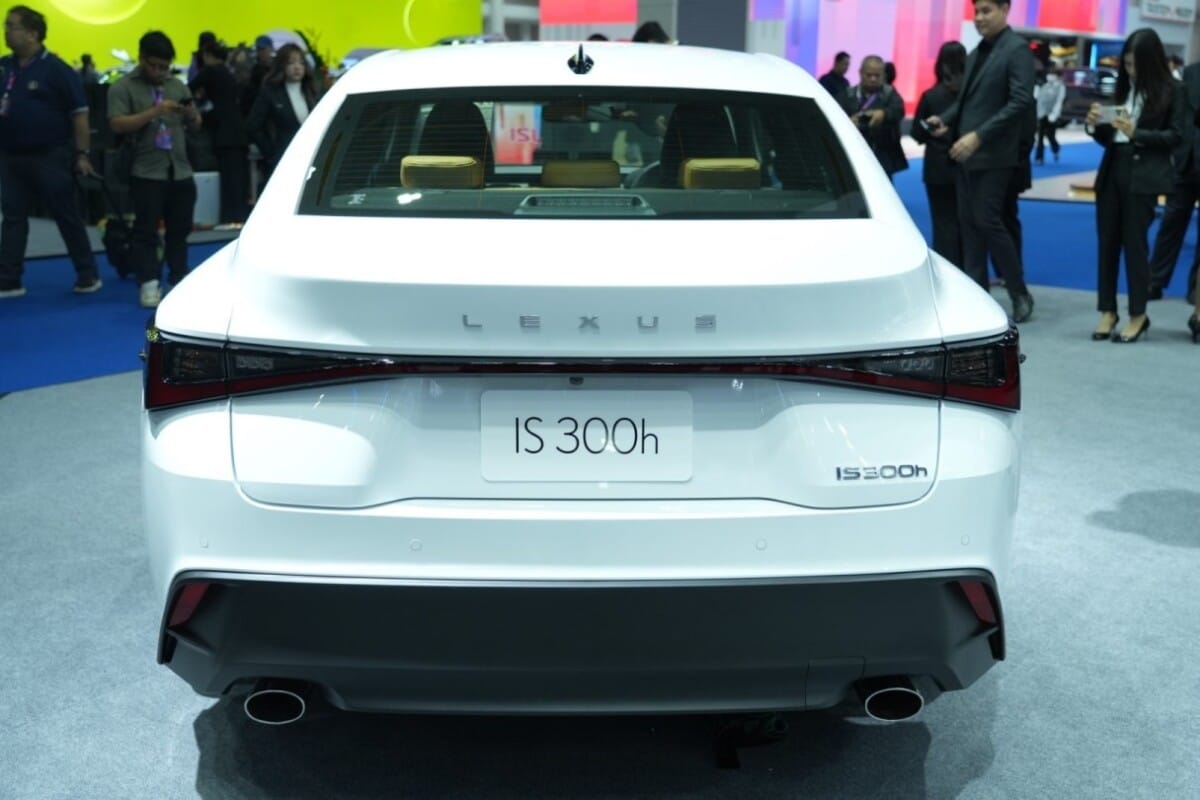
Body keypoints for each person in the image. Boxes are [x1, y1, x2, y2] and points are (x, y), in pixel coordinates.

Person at [924, 0, 1036, 323]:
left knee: (986, 221)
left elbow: (1020, 101)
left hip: (994, 154)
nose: (979, 18)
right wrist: (944, 120)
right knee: (969, 226)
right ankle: (977, 295)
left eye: (987, 10)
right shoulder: (976, 52)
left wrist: (979, 136)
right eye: (976, 11)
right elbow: (965, 102)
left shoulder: (1017, 50)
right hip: (965, 154)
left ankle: (1019, 292)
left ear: (1005, 9)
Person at [1085, 28, 1185, 343]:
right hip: (1112, 169)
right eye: (1127, 64)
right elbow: (1110, 138)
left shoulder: (1174, 90)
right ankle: (1107, 310)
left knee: (1135, 246)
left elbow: (1177, 136)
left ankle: (1138, 314)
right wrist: (1094, 125)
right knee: (1107, 244)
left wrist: (1136, 133)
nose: (1131, 71)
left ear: (1152, 62)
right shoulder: (1123, 89)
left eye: (1136, 65)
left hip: (1143, 175)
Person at [0, 4, 101, 299]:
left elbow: (80, 114)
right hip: (10, 154)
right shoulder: (4, 67)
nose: (6, 31)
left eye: (12, 26)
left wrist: (82, 154)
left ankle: (87, 274)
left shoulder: (57, 69)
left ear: (33, 34)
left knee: (66, 215)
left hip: (50, 155)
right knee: (13, 218)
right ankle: (9, 279)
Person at [107, 31, 202, 308]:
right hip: (146, 170)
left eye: (165, 67)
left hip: (180, 168)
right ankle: (148, 282)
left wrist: (191, 115)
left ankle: (178, 278)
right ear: (141, 59)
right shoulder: (123, 87)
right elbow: (116, 124)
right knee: (146, 231)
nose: (160, 72)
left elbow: (197, 124)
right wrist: (154, 112)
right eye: (155, 66)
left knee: (179, 231)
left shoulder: (177, 86)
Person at [1148, 59, 1200, 305]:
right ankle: (1154, 281)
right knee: (1170, 223)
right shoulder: (1190, 72)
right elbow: (1179, 114)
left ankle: (1196, 288)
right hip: (1184, 161)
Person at [913, 42, 967, 267]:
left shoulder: (930, 96)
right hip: (967, 166)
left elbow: (917, 133)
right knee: (965, 222)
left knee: (942, 222)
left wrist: (931, 132)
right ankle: (967, 269)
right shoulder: (971, 98)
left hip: (937, 168)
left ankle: (947, 268)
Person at [190, 41, 248, 223]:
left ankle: (228, 217)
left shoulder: (209, 72)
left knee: (228, 180)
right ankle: (238, 215)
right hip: (238, 131)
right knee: (238, 179)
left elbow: (188, 89)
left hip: (223, 132)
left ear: (207, 54)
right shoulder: (229, 73)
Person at [246, 43, 317, 181]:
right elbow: (252, 126)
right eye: (291, 63)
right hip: (282, 160)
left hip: (310, 160)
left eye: (301, 62)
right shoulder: (270, 93)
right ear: (282, 65)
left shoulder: (311, 92)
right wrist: (271, 153)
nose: (297, 67)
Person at [840, 55, 907, 180]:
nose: (873, 79)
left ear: (884, 75)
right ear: (860, 73)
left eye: (877, 75)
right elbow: (836, 116)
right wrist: (847, 123)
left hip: (883, 156)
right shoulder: (848, 95)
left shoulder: (890, 94)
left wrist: (884, 114)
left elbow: (899, 111)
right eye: (869, 75)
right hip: (854, 154)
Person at [1034, 66, 1065, 164]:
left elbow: (1059, 101)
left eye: (1052, 74)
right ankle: (1039, 157)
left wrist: (1054, 114)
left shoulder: (1060, 87)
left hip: (1052, 115)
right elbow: (1038, 99)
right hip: (1042, 114)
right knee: (1040, 136)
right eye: (1049, 74)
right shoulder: (1044, 85)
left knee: (1050, 136)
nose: (1050, 76)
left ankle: (1055, 149)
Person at [241, 34, 273, 115]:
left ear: (270, 49)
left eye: (263, 49)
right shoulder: (254, 69)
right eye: (258, 49)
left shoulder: (276, 68)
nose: (260, 52)